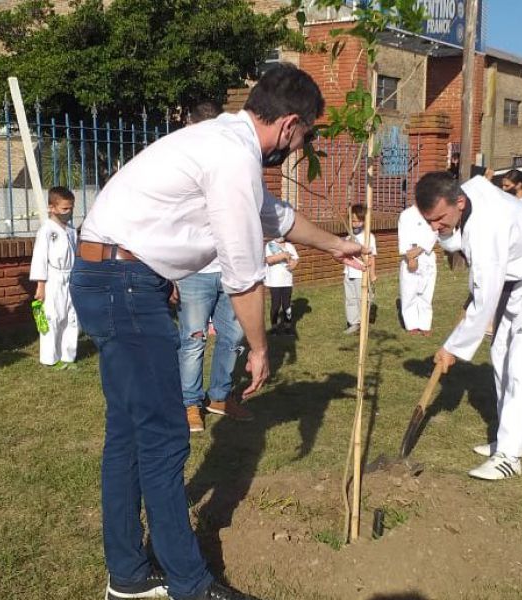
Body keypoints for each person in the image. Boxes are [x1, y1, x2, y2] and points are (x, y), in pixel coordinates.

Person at [71, 63, 364, 600]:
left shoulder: (224, 142)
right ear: (290, 123)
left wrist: (333, 244)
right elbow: (243, 271)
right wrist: (259, 348)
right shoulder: (233, 156)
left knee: (130, 436)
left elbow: (271, 214)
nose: (302, 145)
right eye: (308, 135)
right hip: (126, 285)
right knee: (162, 439)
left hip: (109, 276)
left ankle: (129, 576)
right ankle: (189, 585)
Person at [415, 171, 522, 480]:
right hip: (516, 274)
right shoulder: (468, 193)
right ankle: (517, 435)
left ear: (458, 202)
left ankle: (509, 456)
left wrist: (452, 348)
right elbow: (463, 255)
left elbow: (483, 301)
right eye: (429, 221)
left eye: (439, 219)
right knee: (501, 352)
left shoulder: (488, 228)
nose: (435, 228)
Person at [175, 99, 253, 434]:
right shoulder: (180, 168)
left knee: (233, 337)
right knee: (193, 341)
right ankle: (190, 403)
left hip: (230, 270)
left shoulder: (231, 164)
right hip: (196, 272)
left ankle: (219, 396)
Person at [30, 186, 79, 369]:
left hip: (70, 276)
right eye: (64, 208)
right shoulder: (46, 230)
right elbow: (40, 258)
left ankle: (68, 356)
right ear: (52, 207)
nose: (69, 212)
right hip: (53, 277)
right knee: (53, 316)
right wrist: (40, 286)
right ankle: (50, 358)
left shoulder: (72, 231)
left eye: (71, 208)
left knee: (71, 316)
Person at [397, 202, 437, 335]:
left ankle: (425, 324)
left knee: (426, 292)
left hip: (427, 255)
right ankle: (411, 324)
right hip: (410, 257)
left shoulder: (433, 211)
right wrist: (411, 258)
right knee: (409, 292)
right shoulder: (406, 215)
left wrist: (421, 249)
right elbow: (404, 237)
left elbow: (435, 232)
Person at [343, 203, 377, 335]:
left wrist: (372, 274)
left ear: (364, 221)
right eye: (352, 220)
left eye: (358, 221)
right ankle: (353, 322)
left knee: (362, 299)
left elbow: (372, 256)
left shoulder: (369, 237)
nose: (355, 223)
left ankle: (363, 323)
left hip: (362, 273)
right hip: (349, 272)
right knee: (350, 298)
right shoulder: (348, 237)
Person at [264, 236, 299, 335]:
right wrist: (282, 255)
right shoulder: (270, 245)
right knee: (275, 305)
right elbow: (268, 260)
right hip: (275, 281)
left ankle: (288, 327)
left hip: (287, 281)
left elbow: (296, 259)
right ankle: (274, 327)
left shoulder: (289, 246)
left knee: (287, 305)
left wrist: (293, 264)